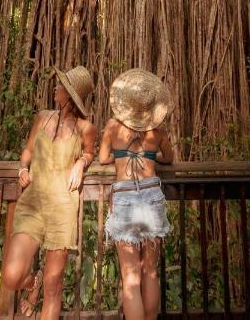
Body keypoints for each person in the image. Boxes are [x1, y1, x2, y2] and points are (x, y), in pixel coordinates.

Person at [1, 65, 96, 319]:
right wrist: (22, 168)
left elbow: (89, 152)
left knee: (54, 286)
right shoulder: (42, 117)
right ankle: (33, 282)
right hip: (32, 203)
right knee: (11, 276)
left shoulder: (85, 128)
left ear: (71, 95)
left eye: (61, 86)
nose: (56, 87)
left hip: (62, 208)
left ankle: (43, 286)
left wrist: (81, 162)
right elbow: (29, 151)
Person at [98, 69, 174, 320]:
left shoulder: (112, 127)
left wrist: (122, 157)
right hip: (151, 193)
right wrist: (149, 156)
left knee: (130, 276)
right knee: (150, 270)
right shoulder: (158, 132)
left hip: (125, 196)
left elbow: (103, 158)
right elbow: (170, 158)